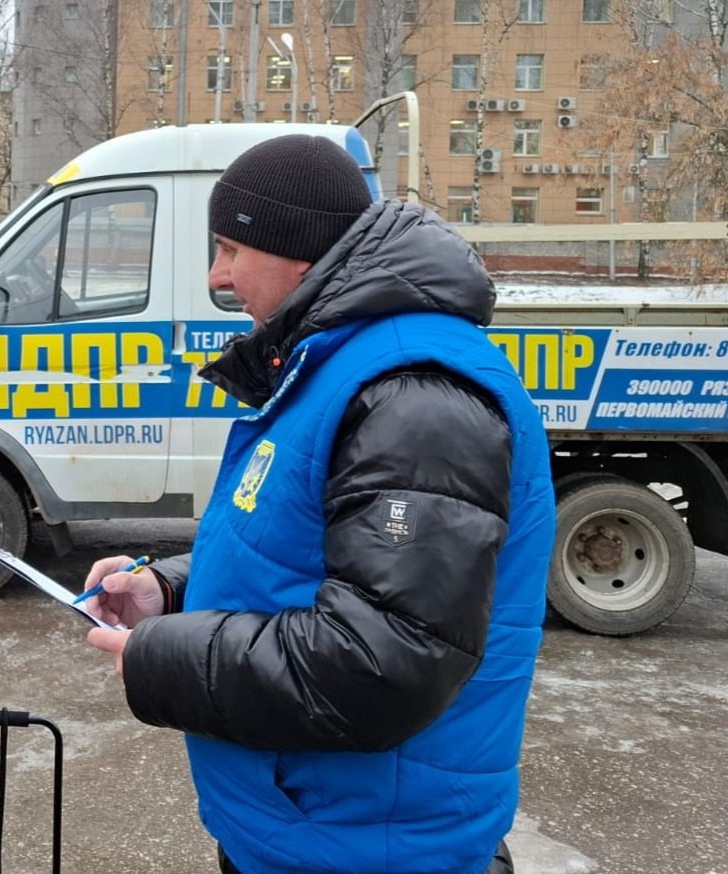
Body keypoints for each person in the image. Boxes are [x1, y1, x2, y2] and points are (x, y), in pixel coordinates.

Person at [83, 135, 555, 874]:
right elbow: (303, 546)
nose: (216, 275)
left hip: (372, 846)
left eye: (230, 249)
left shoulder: (413, 398)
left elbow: (384, 660)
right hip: (309, 826)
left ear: (298, 254)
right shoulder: (336, 363)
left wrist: (162, 660)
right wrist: (169, 591)